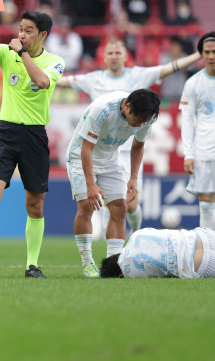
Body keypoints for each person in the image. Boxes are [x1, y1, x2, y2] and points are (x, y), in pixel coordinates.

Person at [56, 40, 202, 238]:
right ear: (104, 57)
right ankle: (113, 252)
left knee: (130, 206)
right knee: (114, 204)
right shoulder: (93, 79)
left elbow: (171, 67)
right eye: (110, 53)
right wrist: (34, 74)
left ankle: (135, 233)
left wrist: (199, 54)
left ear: (126, 56)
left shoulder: (139, 75)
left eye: (118, 52)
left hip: (127, 150)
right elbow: (60, 81)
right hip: (102, 150)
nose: (114, 56)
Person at [0, 0, 65, 279]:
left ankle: (31, 265)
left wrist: (21, 53)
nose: (21, 34)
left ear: (43, 35)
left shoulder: (54, 62)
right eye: (21, 28)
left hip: (35, 135)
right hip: (7, 133)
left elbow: (42, 82)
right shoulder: (6, 53)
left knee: (35, 204)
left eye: (29, 30)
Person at [66, 89, 160, 278]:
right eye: (138, 119)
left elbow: (138, 145)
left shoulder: (147, 117)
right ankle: (87, 264)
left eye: (145, 120)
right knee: (86, 206)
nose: (140, 124)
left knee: (119, 208)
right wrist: (91, 184)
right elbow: (86, 147)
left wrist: (133, 177)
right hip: (80, 157)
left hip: (110, 159)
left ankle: (113, 265)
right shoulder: (102, 109)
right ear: (128, 107)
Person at [180, 32, 215, 230]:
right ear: (201, 54)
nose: (211, 56)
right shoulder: (193, 83)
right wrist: (188, 154)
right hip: (203, 150)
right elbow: (187, 120)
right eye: (207, 52)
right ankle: (211, 251)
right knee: (207, 202)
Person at [99, 227, 215, 278]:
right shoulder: (136, 235)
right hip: (200, 237)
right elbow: (170, 232)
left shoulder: (131, 275)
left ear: (120, 275)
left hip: (199, 265)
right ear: (118, 254)